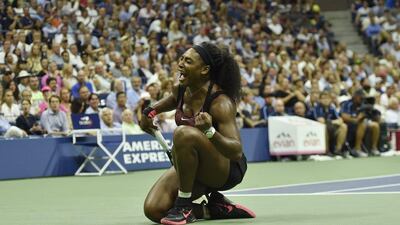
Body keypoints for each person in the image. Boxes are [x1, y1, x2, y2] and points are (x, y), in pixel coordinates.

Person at [140, 42, 255, 225]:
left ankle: (184, 204)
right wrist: (150, 111)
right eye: (181, 59)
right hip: (194, 167)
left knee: (184, 134)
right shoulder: (181, 89)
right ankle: (213, 209)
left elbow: (236, 151)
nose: (180, 64)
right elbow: (172, 100)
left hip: (226, 170)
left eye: (188, 61)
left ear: (204, 70)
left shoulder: (220, 102)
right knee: (154, 210)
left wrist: (209, 131)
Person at [340, 89, 380, 157]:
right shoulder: (347, 103)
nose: (362, 98)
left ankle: (374, 149)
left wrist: (373, 114)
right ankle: (357, 149)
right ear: (355, 96)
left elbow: (376, 117)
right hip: (350, 125)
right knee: (362, 123)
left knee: (375, 125)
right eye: (360, 97)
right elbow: (344, 116)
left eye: (363, 97)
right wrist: (357, 118)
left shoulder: (364, 104)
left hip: (363, 123)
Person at [312, 91, 348, 156]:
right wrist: (333, 122)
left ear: (330, 100)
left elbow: (340, 120)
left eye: (327, 98)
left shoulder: (332, 108)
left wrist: (332, 122)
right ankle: (326, 150)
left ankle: (338, 150)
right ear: (320, 100)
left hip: (331, 128)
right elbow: (321, 121)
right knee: (324, 126)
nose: (326, 100)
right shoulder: (317, 108)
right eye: (323, 98)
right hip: (317, 131)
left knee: (344, 126)